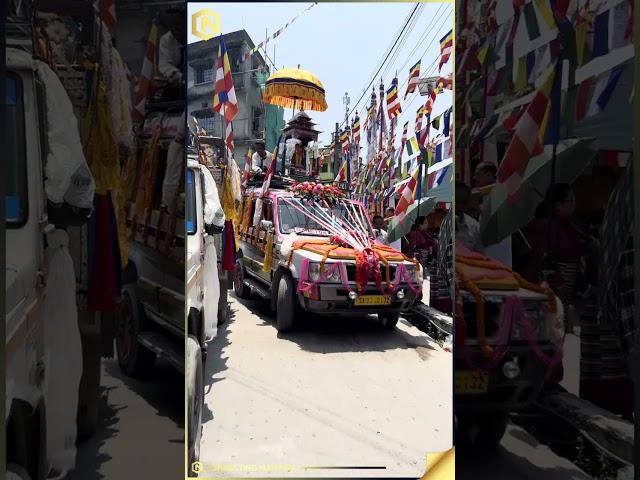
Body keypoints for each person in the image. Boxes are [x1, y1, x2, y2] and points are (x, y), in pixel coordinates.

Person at [455, 182, 483, 253]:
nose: (459, 206)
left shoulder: (474, 226)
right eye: (456, 202)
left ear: (468, 202)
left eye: (463, 202)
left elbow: (480, 257)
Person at [158, 8, 185, 83]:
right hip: (178, 81)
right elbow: (165, 64)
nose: (174, 28)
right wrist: (178, 76)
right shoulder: (166, 39)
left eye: (177, 24)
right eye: (171, 25)